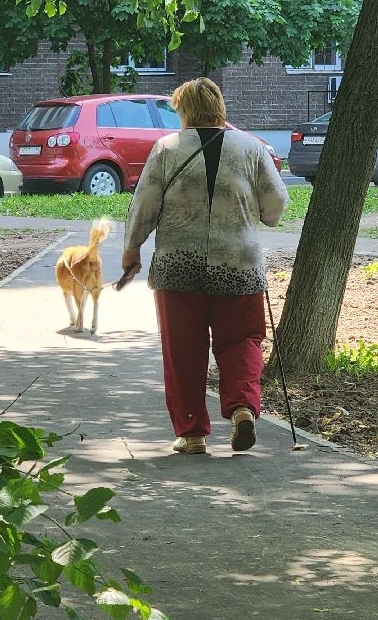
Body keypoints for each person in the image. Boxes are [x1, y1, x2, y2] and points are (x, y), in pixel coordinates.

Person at [122, 78, 289, 454]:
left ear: (184, 110)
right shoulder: (252, 148)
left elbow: (144, 203)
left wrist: (132, 246)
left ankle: (193, 433)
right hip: (239, 264)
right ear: (219, 106)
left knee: (183, 349)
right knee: (243, 340)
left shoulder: (166, 149)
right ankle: (243, 408)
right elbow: (275, 208)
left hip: (178, 265)